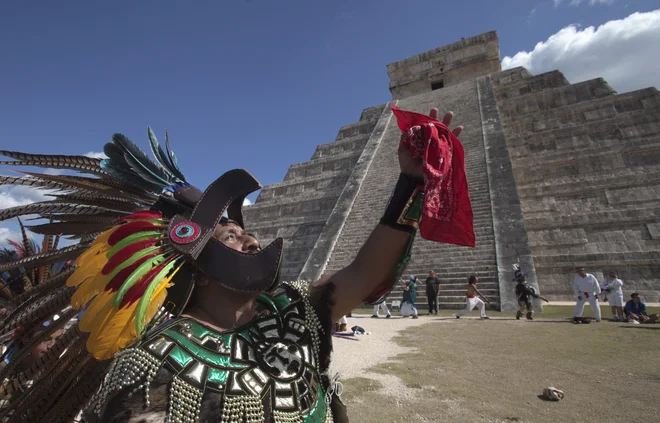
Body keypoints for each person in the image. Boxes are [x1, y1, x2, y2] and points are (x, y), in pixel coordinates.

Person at [0, 105, 471, 422]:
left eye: (246, 231)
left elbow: (365, 274)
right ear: (193, 264)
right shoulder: (152, 361)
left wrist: (410, 183)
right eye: (230, 235)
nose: (250, 239)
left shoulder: (293, 309)